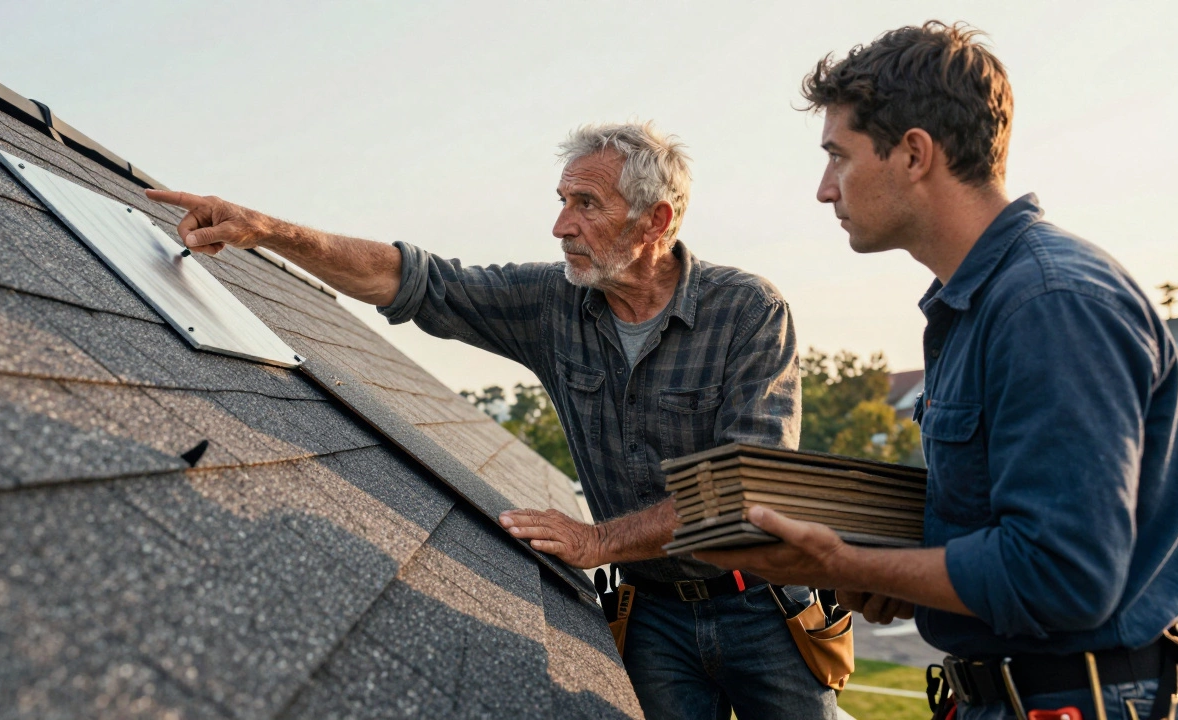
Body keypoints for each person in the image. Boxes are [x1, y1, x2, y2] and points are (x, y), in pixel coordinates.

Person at [146, 122, 835, 719]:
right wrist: (268, 231)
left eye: (586, 204)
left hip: (761, 607)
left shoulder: (747, 311)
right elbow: (414, 280)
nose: (562, 225)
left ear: (656, 221)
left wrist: (599, 540)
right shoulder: (554, 302)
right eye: (563, 202)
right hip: (653, 615)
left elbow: (749, 487)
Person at [696, 21, 1178, 720]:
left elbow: (1065, 575)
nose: (824, 189)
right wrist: (906, 575)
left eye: (839, 156)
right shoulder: (980, 305)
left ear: (915, 154)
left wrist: (844, 566)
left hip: (1081, 700)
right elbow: (998, 535)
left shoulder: (1049, 304)